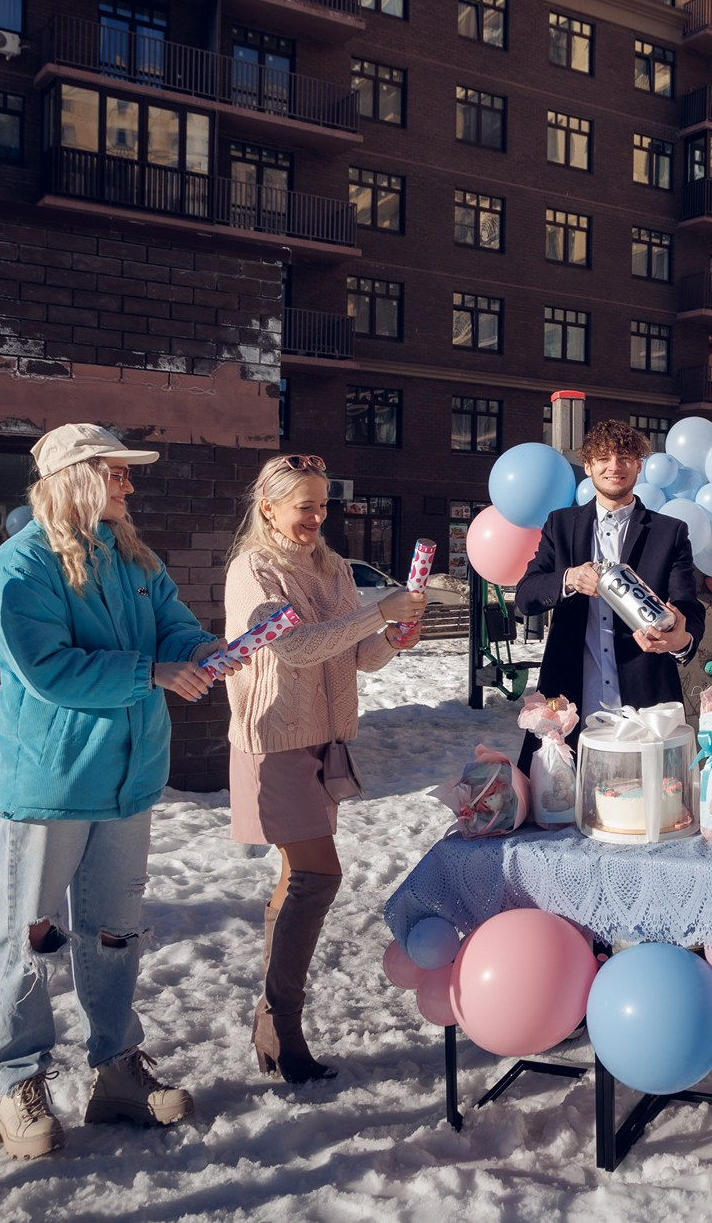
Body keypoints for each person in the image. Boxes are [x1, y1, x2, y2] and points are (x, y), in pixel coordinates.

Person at [0, 423, 233, 1160]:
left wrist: (202, 649)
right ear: (74, 477)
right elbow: (46, 669)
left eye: (127, 474)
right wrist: (149, 671)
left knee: (115, 933)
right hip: (50, 787)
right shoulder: (19, 565)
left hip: (129, 783)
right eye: (117, 474)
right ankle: (17, 1082)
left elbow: (173, 626)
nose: (129, 485)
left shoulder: (131, 557)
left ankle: (115, 1069)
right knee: (29, 940)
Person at [222, 453, 426, 1083]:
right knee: (318, 875)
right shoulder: (253, 570)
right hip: (276, 737)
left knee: (297, 879)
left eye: (323, 504)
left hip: (327, 738)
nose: (316, 516)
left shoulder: (332, 565)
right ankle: (280, 1023)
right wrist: (378, 614)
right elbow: (295, 648)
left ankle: (275, 1026)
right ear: (269, 508)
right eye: (304, 505)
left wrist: (392, 638)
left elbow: (357, 656)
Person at [514, 420, 704, 756]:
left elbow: (687, 604)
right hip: (566, 697)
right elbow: (526, 596)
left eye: (625, 458)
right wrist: (568, 578)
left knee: (647, 803)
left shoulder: (669, 532)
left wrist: (682, 639)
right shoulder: (560, 525)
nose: (614, 467)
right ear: (588, 466)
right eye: (603, 458)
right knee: (557, 798)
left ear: (638, 467)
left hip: (646, 701)